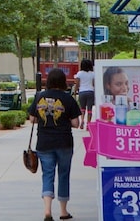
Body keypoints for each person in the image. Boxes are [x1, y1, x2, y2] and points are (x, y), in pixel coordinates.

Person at [28, 67, 81, 221]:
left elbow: (32, 119)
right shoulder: (68, 98)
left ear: (49, 81)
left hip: (44, 143)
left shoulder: (39, 96)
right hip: (64, 142)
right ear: (63, 82)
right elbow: (76, 123)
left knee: (48, 175)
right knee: (63, 175)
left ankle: (47, 211)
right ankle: (63, 212)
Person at [72, 59, 95, 129]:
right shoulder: (92, 74)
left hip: (82, 92)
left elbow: (77, 84)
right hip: (90, 91)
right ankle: (88, 124)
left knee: (82, 108)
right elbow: (94, 84)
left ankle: (82, 121)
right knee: (90, 109)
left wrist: (75, 92)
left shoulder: (79, 73)